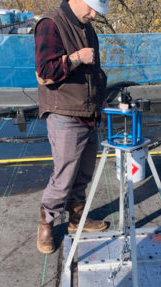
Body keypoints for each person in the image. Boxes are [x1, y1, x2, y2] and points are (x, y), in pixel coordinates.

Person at [34, 0, 110, 254]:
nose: (94, 14)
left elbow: (94, 72)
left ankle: (77, 219)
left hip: (88, 111)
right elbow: (44, 72)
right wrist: (77, 58)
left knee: (84, 172)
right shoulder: (51, 24)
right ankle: (46, 223)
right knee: (64, 176)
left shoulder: (86, 27)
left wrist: (101, 98)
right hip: (64, 112)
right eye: (91, 8)